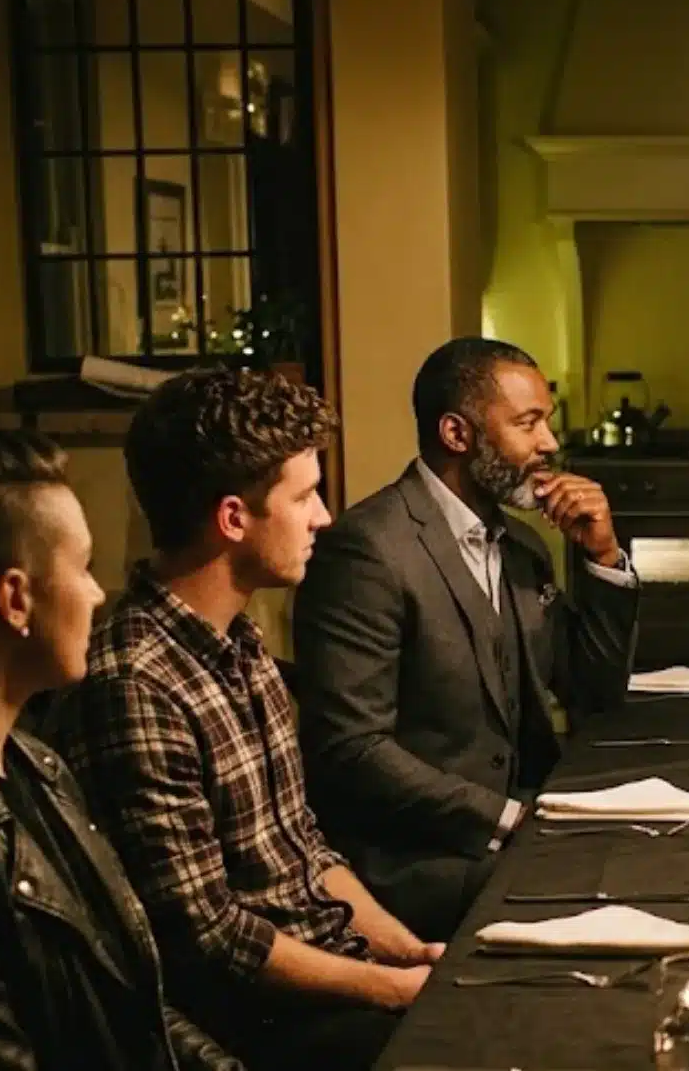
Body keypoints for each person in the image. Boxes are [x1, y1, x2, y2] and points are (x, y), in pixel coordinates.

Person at [48, 369, 439, 1071]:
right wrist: (394, 989)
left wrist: (408, 951)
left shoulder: (239, 641)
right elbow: (208, 939)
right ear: (233, 518)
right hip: (260, 1025)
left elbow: (304, 850)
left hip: (328, 974)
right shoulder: (136, 681)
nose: (324, 515)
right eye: (304, 496)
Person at [293, 337, 638, 940]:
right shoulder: (367, 550)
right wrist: (507, 818)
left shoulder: (527, 548)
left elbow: (595, 693)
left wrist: (603, 557)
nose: (551, 444)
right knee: (602, 894)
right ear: (457, 434)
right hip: (416, 863)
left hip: (521, 829)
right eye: (528, 423)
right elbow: (351, 748)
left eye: (546, 423)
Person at [0, 426, 240, 1071]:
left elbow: (131, 1007)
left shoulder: (39, 768)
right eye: (84, 567)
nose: (99, 594)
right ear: (16, 598)